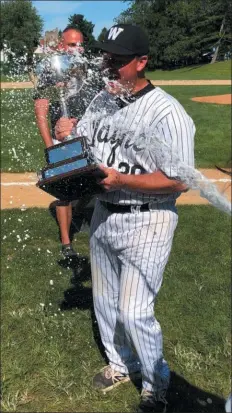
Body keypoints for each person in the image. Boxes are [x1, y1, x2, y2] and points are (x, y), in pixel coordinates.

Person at [55, 24, 195, 412]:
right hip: (104, 215)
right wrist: (66, 133)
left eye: (117, 61)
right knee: (105, 303)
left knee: (134, 311)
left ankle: (155, 382)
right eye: (106, 58)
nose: (108, 66)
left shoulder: (168, 113)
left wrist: (122, 180)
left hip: (147, 220)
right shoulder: (102, 98)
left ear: (142, 62)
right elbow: (83, 146)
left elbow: (180, 180)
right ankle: (121, 363)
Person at [33, 26, 99, 258]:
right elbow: (41, 111)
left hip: (88, 134)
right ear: (62, 46)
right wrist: (50, 144)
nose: (77, 49)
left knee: (94, 180)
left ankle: (80, 212)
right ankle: (66, 243)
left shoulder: (90, 71)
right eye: (71, 45)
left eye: (80, 44)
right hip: (61, 138)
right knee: (64, 190)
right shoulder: (51, 71)